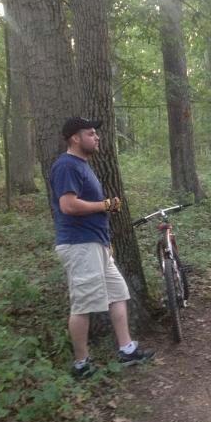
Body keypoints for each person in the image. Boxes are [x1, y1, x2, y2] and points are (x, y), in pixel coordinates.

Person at [50, 117, 154, 379]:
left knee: (118, 293)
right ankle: (81, 364)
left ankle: (126, 349)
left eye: (96, 134)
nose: (97, 138)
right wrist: (105, 205)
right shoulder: (66, 165)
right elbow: (68, 205)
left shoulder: (82, 165)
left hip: (95, 244)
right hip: (80, 245)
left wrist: (106, 242)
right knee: (83, 305)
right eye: (91, 133)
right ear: (75, 138)